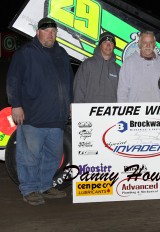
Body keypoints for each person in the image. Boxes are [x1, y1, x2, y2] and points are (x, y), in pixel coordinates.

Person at [6, 17, 74, 205]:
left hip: (57, 118)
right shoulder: (26, 53)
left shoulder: (62, 53)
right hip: (32, 117)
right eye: (46, 30)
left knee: (53, 156)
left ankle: (45, 185)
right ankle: (29, 189)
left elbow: (68, 81)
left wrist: (70, 104)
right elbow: (13, 80)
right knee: (29, 156)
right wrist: (16, 105)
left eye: (53, 31)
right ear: (38, 32)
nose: (50, 34)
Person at [117, 31, 160, 102]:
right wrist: (123, 110)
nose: (148, 46)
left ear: (154, 44)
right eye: (145, 43)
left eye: (150, 42)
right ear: (139, 44)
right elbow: (122, 90)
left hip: (156, 111)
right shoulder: (129, 62)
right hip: (135, 111)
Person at [73, 31, 120, 103]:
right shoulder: (87, 64)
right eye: (105, 42)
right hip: (89, 112)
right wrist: (78, 109)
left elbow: (122, 94)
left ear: (114, 47)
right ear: (100, 45)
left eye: (111, 43)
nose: (108, 45)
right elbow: (79, 90)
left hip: (111, 113)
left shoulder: (118, 69)